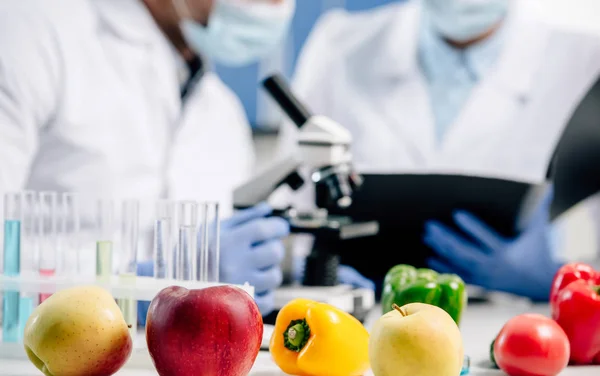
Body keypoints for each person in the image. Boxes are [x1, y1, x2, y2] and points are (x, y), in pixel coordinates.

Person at [277, 0, 600, 300]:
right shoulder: (338, 44)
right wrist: (313, 269)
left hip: (520, 323)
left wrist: (552, 279)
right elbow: (286, 202)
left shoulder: (586, 61)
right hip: (361, 317)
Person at [0, 0, 298, 317]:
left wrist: (293, 276)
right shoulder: (29, 31)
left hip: (163, 363)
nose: (276, 5)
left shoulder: (223, 114)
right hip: (31, 358)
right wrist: (131, 290)